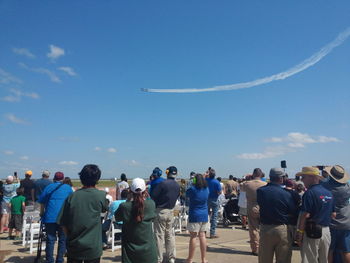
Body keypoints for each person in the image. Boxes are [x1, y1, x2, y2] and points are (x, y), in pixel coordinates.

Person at [58, 164, 108, 263]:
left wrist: (70, 237)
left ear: (81, 178)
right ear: (97, 179)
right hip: (93, 247)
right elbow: (104, 209)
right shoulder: (101, 195)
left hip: (74, 247)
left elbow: (63, 223)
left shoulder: (72, 197)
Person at [295, 166, 335, 263]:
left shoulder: (309, 193)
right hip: (326, 231)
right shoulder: (329, 193)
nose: (301, 180)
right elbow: (333, 214)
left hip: (312, 231)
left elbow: (305, 215)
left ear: (311, 177)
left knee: (309, 260)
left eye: (303, 177)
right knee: (324, 260)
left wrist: (299, 233)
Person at [257, 168, 296, 263]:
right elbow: (292, 211)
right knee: (284, 259)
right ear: (281, 178)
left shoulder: (261, 191)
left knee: (264, 259)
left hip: (266, 228)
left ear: (270, 177)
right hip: (282, 229)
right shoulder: (287, 194)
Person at [115, 178, 158, 263]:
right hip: (148, 250)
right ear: (145, 190)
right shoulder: (151, 204)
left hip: (130, 251)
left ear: (130, 191)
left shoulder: (124, 207)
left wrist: (128, 199)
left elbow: (117, 218)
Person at [38, 172, 73, 263]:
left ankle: (49, 260)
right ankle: (60, 259)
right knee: (62, 239)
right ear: (63, 179)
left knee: (50, 239)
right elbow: (71, 203)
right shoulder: (68, 188)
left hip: (50, 217)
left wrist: (42, 213)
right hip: (63, 218)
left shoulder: (49, 187)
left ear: (54, 178)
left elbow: (41, 201)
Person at [151, 166, 180, 263]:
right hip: (171, 211)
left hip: (161, 211)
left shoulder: (162, 184)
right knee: (169, 235)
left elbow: (153, 196)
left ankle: (159, 259)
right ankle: (171, 257)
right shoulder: (177, 185)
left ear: (167, 173)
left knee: (159, 236)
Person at [322, 165, 350, 263]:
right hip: (346, 221)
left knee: (329, 250)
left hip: (331, 222)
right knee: (346, 251)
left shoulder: (325, 186)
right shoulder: (347, 187)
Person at [241, 168, 267, 255]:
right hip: (263, 207)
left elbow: (240, 186)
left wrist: (246, 178)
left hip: (251, 207)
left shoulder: (247, 184)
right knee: (264, 228)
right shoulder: (265, 184)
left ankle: (255, 248)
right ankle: (264, 247)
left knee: (253, 229)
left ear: (253, 174)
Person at [185, 173, 209, 263]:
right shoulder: (206, 189)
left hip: (195, 214)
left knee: (193, 236)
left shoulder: (192, 189)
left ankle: (190, 259)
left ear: (195, 181)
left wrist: (192, 183)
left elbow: (186, 194)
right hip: (204, 214)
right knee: (202, 236)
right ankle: (203, 259)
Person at [205, 169, 222, 239]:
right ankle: (212, 233)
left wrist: (205, 175)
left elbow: (196, 181)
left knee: (206, 216)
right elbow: (219, 192)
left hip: (207, 199)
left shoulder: (205, 180)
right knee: (214, 217)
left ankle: (204, 231)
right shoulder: (216, 182)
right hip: (214, 199)